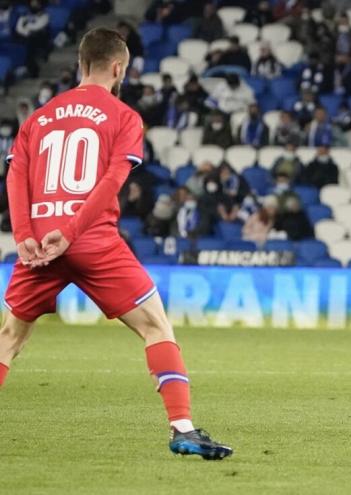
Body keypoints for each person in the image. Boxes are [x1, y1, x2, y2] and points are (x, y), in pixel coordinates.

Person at [0, 27, 231, 460]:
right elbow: (111, 180)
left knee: (9, 339)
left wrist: (23, 235)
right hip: (90, 239)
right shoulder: (123, 116)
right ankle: (182, 429)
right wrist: (70, 232)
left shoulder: (38, 117)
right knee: (155, 327)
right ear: (119, 67)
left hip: (38, 242)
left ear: (80, 64)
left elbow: (14, 176)